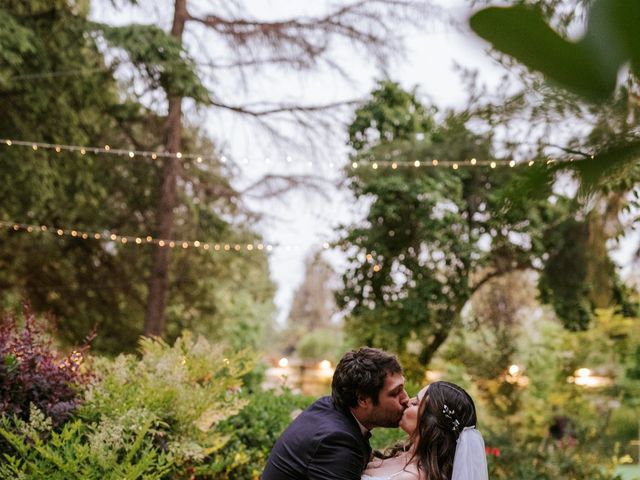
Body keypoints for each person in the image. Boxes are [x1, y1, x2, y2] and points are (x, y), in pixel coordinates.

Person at [262, 347, 410, 480]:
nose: (406, 398)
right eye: (395, 392)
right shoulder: (336, 441)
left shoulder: (330, 407)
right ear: (363, 399)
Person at [361, 381, 488, 480]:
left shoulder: (414, 477)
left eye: (415, 403)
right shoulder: (401, 454)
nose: (407, 401)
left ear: (430, 422)